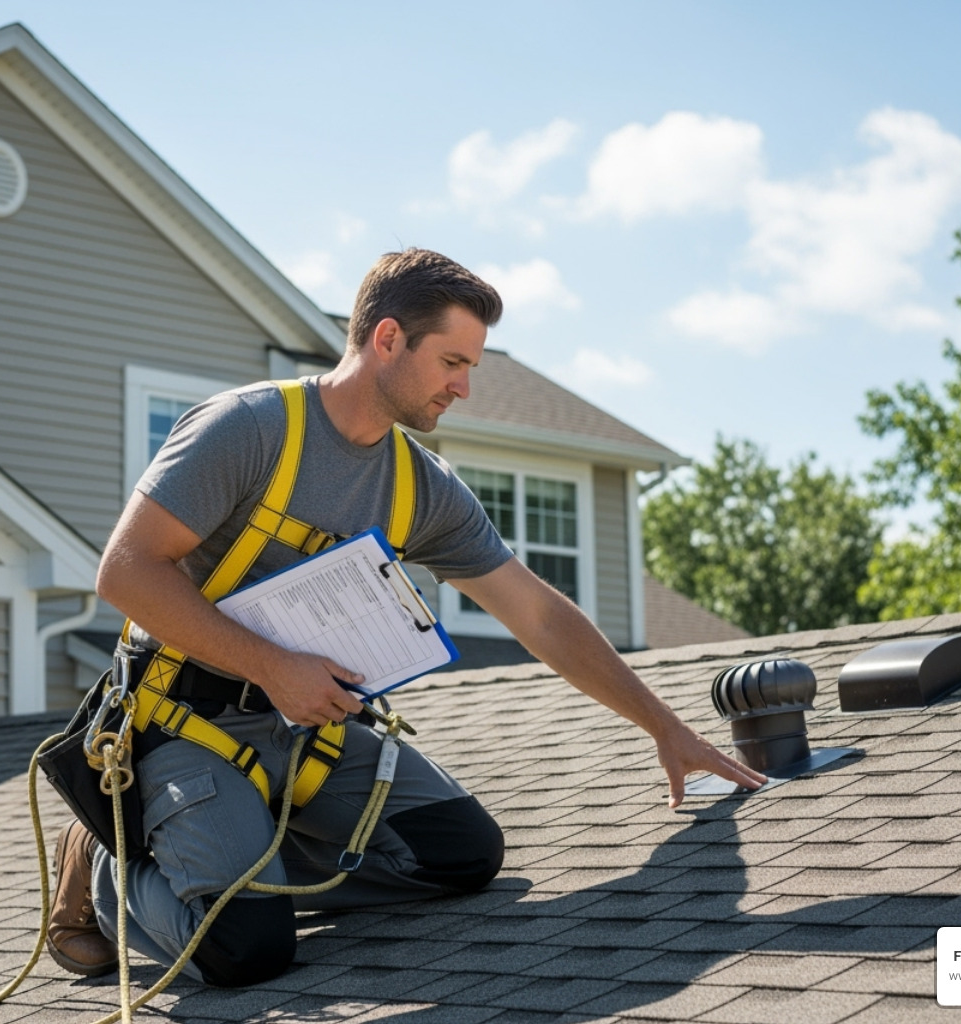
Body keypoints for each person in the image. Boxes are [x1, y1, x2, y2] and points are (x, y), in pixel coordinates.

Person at [46, 248, 767, 987]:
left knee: (461, 854)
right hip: (182, 724)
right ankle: (112, 857)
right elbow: (125, 571)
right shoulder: (248, 430)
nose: (463, 387)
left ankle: (237, 859)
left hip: (307, 736)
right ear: (387, 339)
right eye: (453, 361)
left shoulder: (419, 486)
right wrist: (270, 666)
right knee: (245, 949)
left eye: (472, 368)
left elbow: (538, 614)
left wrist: (665, 727)